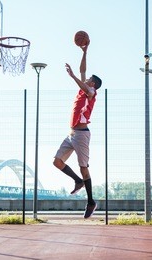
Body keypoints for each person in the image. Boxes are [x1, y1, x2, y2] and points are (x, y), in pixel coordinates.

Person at [53, 41, 102, 219]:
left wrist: (73, 76)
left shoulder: (91, 93)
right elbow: (83, 70)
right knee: (57, 162)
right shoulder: (83, 90)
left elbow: (82, 80)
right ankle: (77, 181)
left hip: (82, 135)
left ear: (93, 85)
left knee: (84, 168)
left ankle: (91, 202)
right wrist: (85, 51)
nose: (86, 78)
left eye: (89, 79)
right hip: (71, 133)